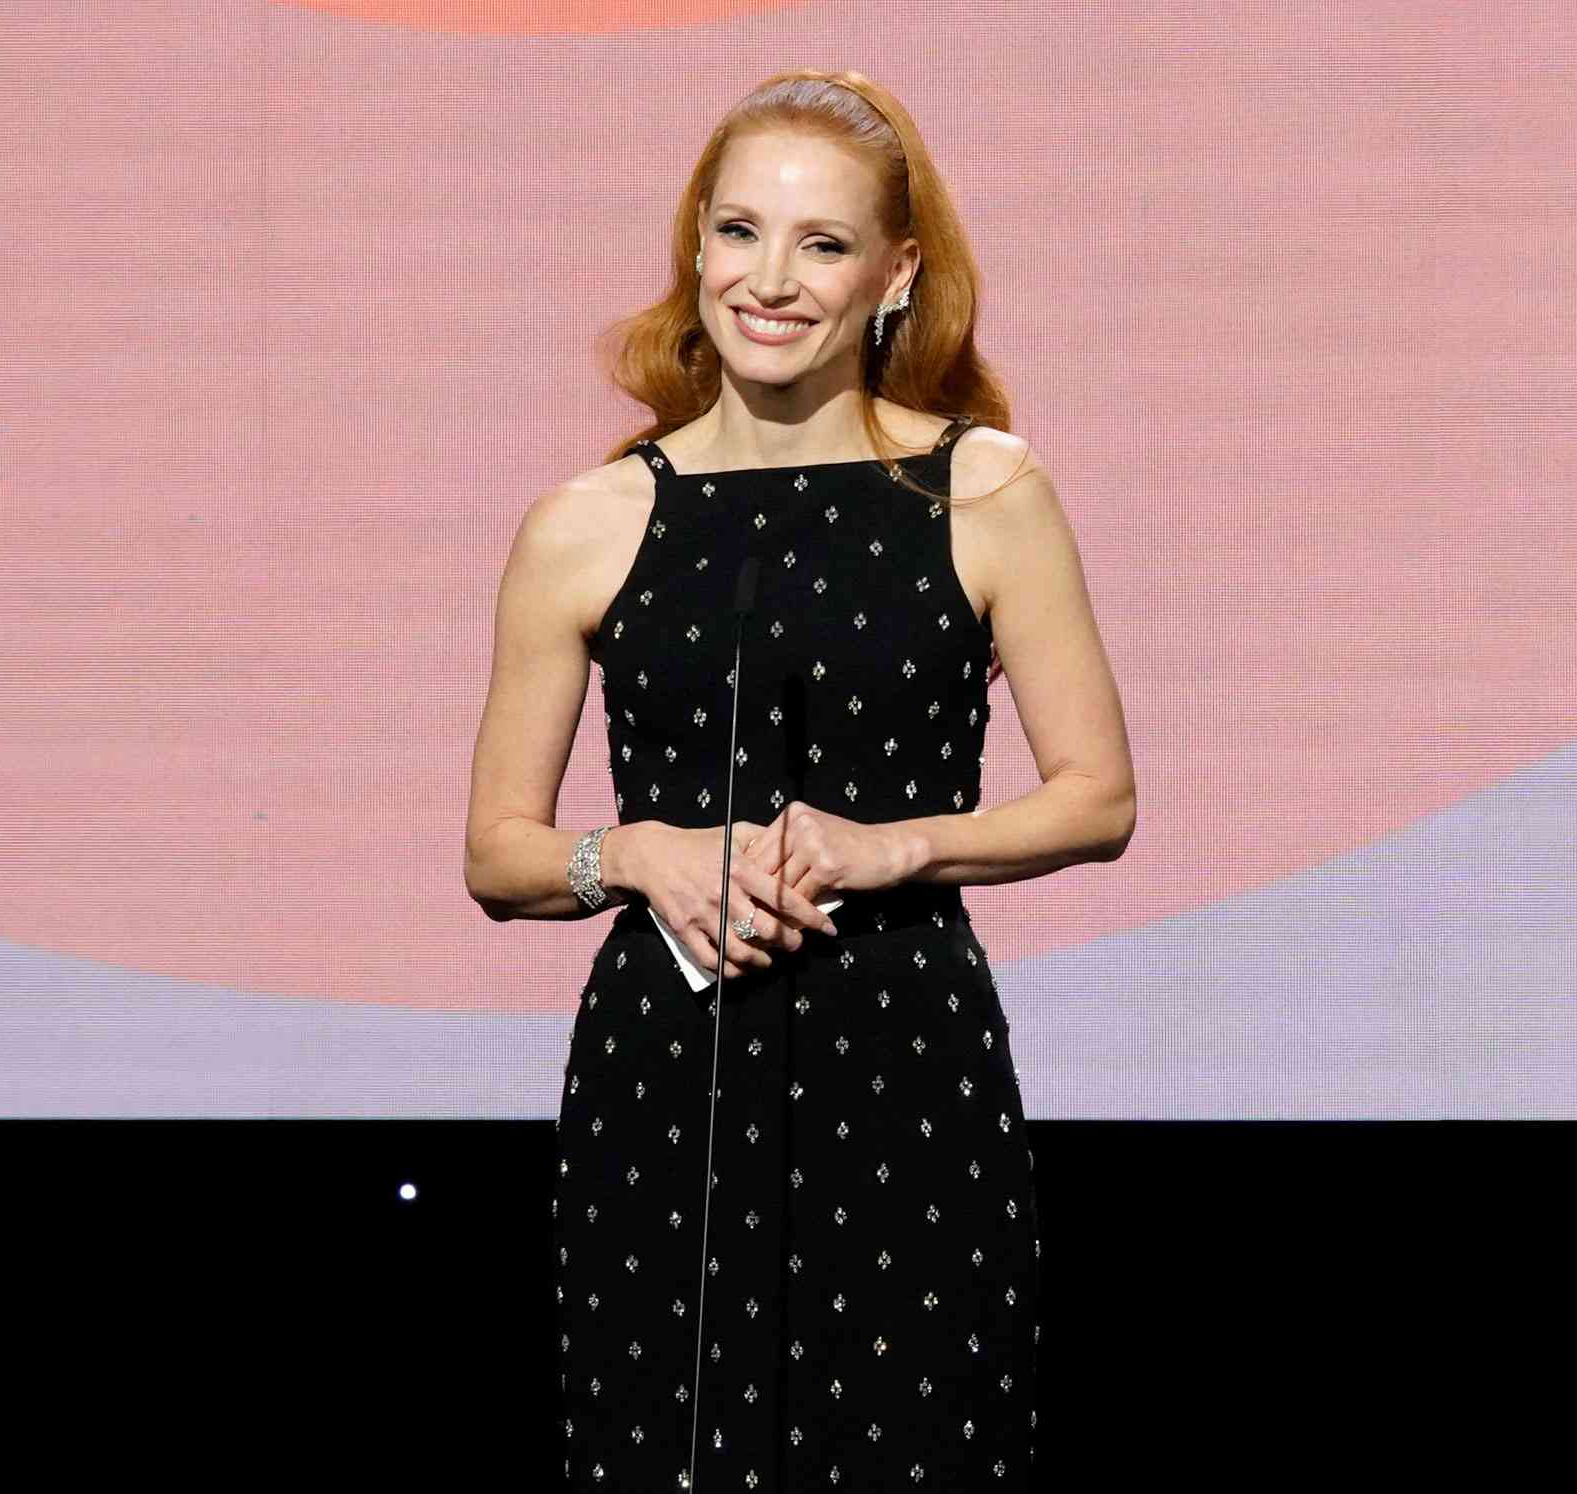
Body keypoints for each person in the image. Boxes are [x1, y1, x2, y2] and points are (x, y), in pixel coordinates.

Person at [463, 68, 1134, 1490]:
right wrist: (633, 853)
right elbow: (498, 851)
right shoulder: (587, 521)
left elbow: (1097, 796)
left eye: (822, 244)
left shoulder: (983, 488)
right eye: (738, 232)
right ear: (694, 248)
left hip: (905, 1048)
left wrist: (896, 847)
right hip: (667, 1064)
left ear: (897, 274)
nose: (769, 280)